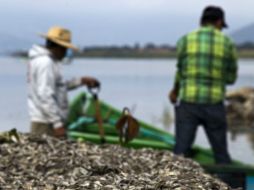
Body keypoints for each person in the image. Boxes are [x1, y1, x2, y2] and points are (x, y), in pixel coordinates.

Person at [169, 6, 238, 164]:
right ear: (219, 22)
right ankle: (229, 184)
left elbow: (180, 71)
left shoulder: (186, 39)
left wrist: (175, 92)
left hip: (188, 103)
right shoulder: (227, 42)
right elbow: (231, 78)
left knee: (180, 152)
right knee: (221, 153)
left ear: (202, 21)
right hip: (214, 105)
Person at [27, 26, 100, 137]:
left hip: (47, 120)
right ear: (59, 47)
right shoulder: (46, 63)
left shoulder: (47, 61)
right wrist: (57, 124)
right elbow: (44, 95)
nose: (66, 52)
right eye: (65, 49)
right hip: (45, 123)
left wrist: (81, 81)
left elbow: (58, 87)